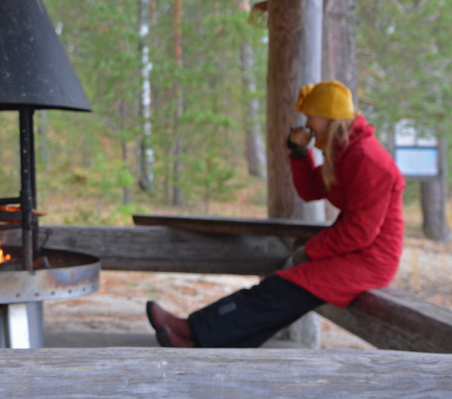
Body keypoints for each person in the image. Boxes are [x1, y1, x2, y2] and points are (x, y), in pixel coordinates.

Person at [146, 80, 405, 348]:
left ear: (329, 118)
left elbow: (360, 233)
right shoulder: (345, 151)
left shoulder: (367, 159)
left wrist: (310, 251)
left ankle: (198, 336)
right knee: (279, 288)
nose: (307, 125)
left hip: (371, 259)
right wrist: (299, 152)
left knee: (282, 288)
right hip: (355, 252)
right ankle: (196, 331)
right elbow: (311, 190)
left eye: (311, 117)